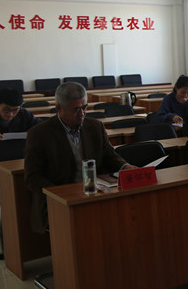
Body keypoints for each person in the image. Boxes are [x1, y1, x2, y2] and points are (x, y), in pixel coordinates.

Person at [25, 82, 135, 233]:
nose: (82, 113)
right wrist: (62, 193)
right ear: (59, 108)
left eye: (85, 107)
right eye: (76, 109)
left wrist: (125, 167)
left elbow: (110, 156)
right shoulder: (39, 134)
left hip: (93, 195)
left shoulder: (95, 127)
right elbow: (32, 177)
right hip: (58, 201)